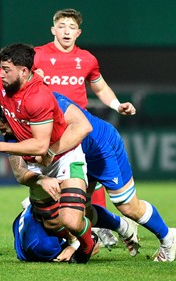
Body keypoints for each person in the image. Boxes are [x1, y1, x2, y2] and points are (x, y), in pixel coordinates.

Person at [0, 93, 176, 262]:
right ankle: (123, 227)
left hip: (100, 148)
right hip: (75, 155)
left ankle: (167, 237)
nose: (6, 133)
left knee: (128, 206)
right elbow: (21, 172)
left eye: (4, 128)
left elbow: (82, 128)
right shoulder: (19, 127)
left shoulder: (42, 106)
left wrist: (48, 156)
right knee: (78, 211)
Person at [0, 43, 97, 264]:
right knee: (51, 223)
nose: (0, 74)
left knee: (70, 220)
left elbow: (41, 147)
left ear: (24, 71)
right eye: (1, 68)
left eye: (6, 70)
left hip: (65, 156)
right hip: (38, 164)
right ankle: (76, 237)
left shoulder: (37, 97)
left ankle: (87, 245)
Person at [33, 8, 137, 247]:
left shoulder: (87, 59)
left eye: (71, 27)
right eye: (61, 26)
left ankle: (92, 230)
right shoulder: (37, 56)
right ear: (53, 30)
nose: (66, 31)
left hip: (77, 128)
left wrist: (116, 104)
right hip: (48, 127)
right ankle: (95, 228)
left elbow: (99, 87)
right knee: (60, 179)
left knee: (85, 178)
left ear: (78, 32)